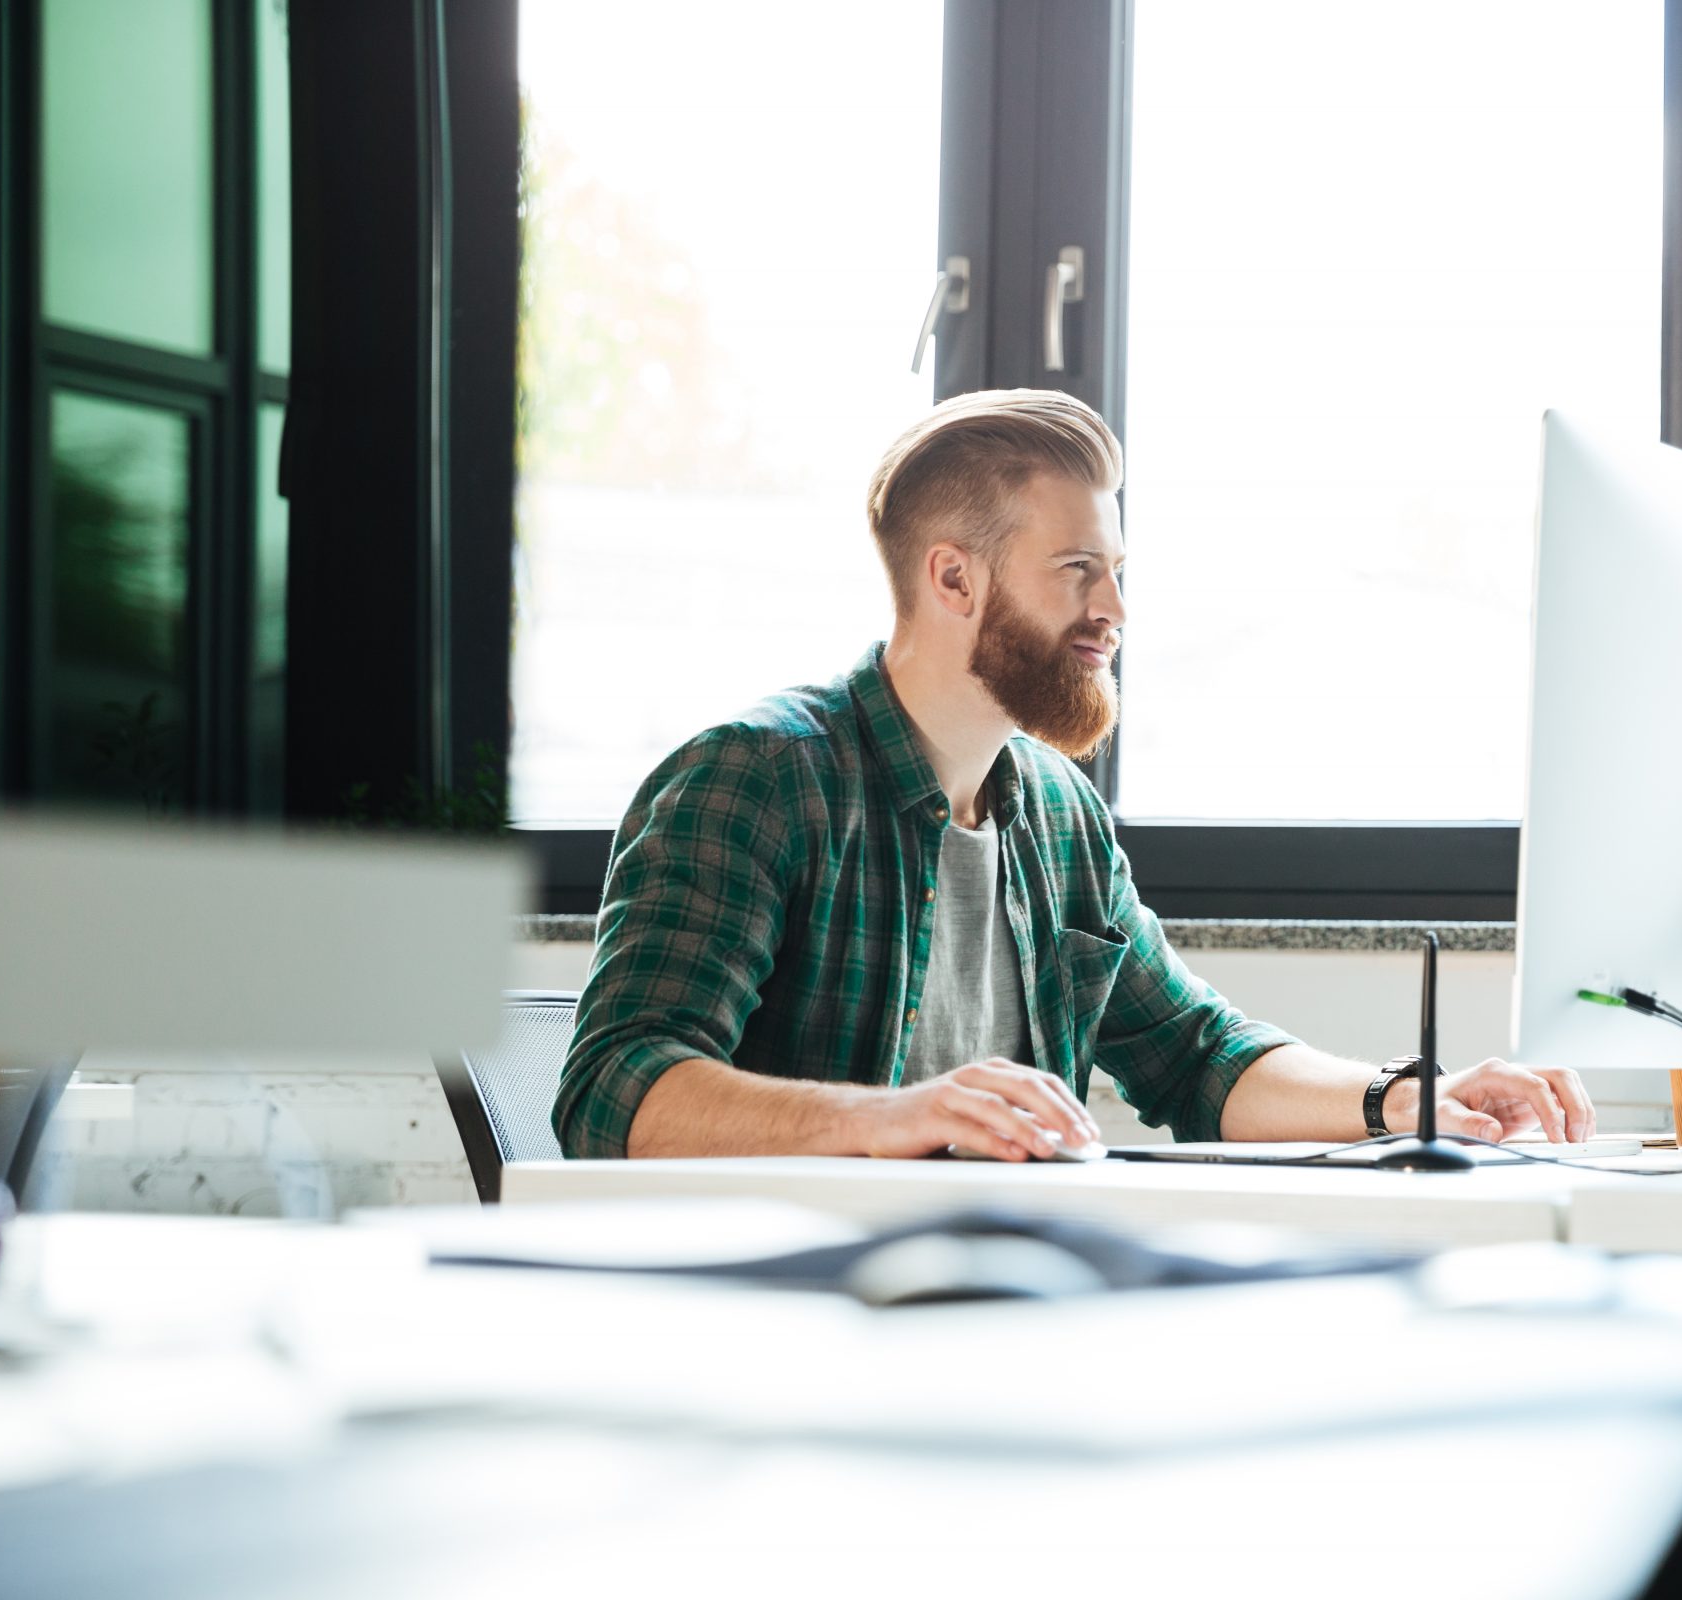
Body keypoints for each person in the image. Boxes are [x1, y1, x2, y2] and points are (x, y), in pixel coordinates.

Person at [554, 389, 1595, 1161]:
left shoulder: (1055, 813)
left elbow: (1193, 1055)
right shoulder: (753, 780)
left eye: (1116, 573)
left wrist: (1406, 1098)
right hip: (786, 1316)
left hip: (1001, 1302)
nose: (1115, 612)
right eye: (1077, 572)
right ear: (954, 576)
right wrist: (891, 1119)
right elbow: (612, 1090)